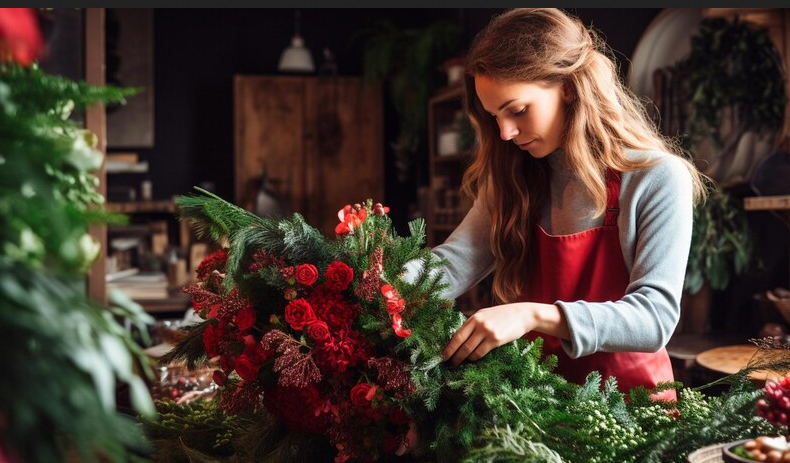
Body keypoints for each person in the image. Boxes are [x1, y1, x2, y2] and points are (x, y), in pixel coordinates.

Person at [404, 8, 707, 399]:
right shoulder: (516, 177)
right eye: (495, 116)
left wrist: (531, 314)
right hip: (536, 404)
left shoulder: (656, 178)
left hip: (630, 414)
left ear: (567, 86)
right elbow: (456, 259)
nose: (506, 132)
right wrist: (378, 283)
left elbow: (654, 318)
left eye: (517, 110)